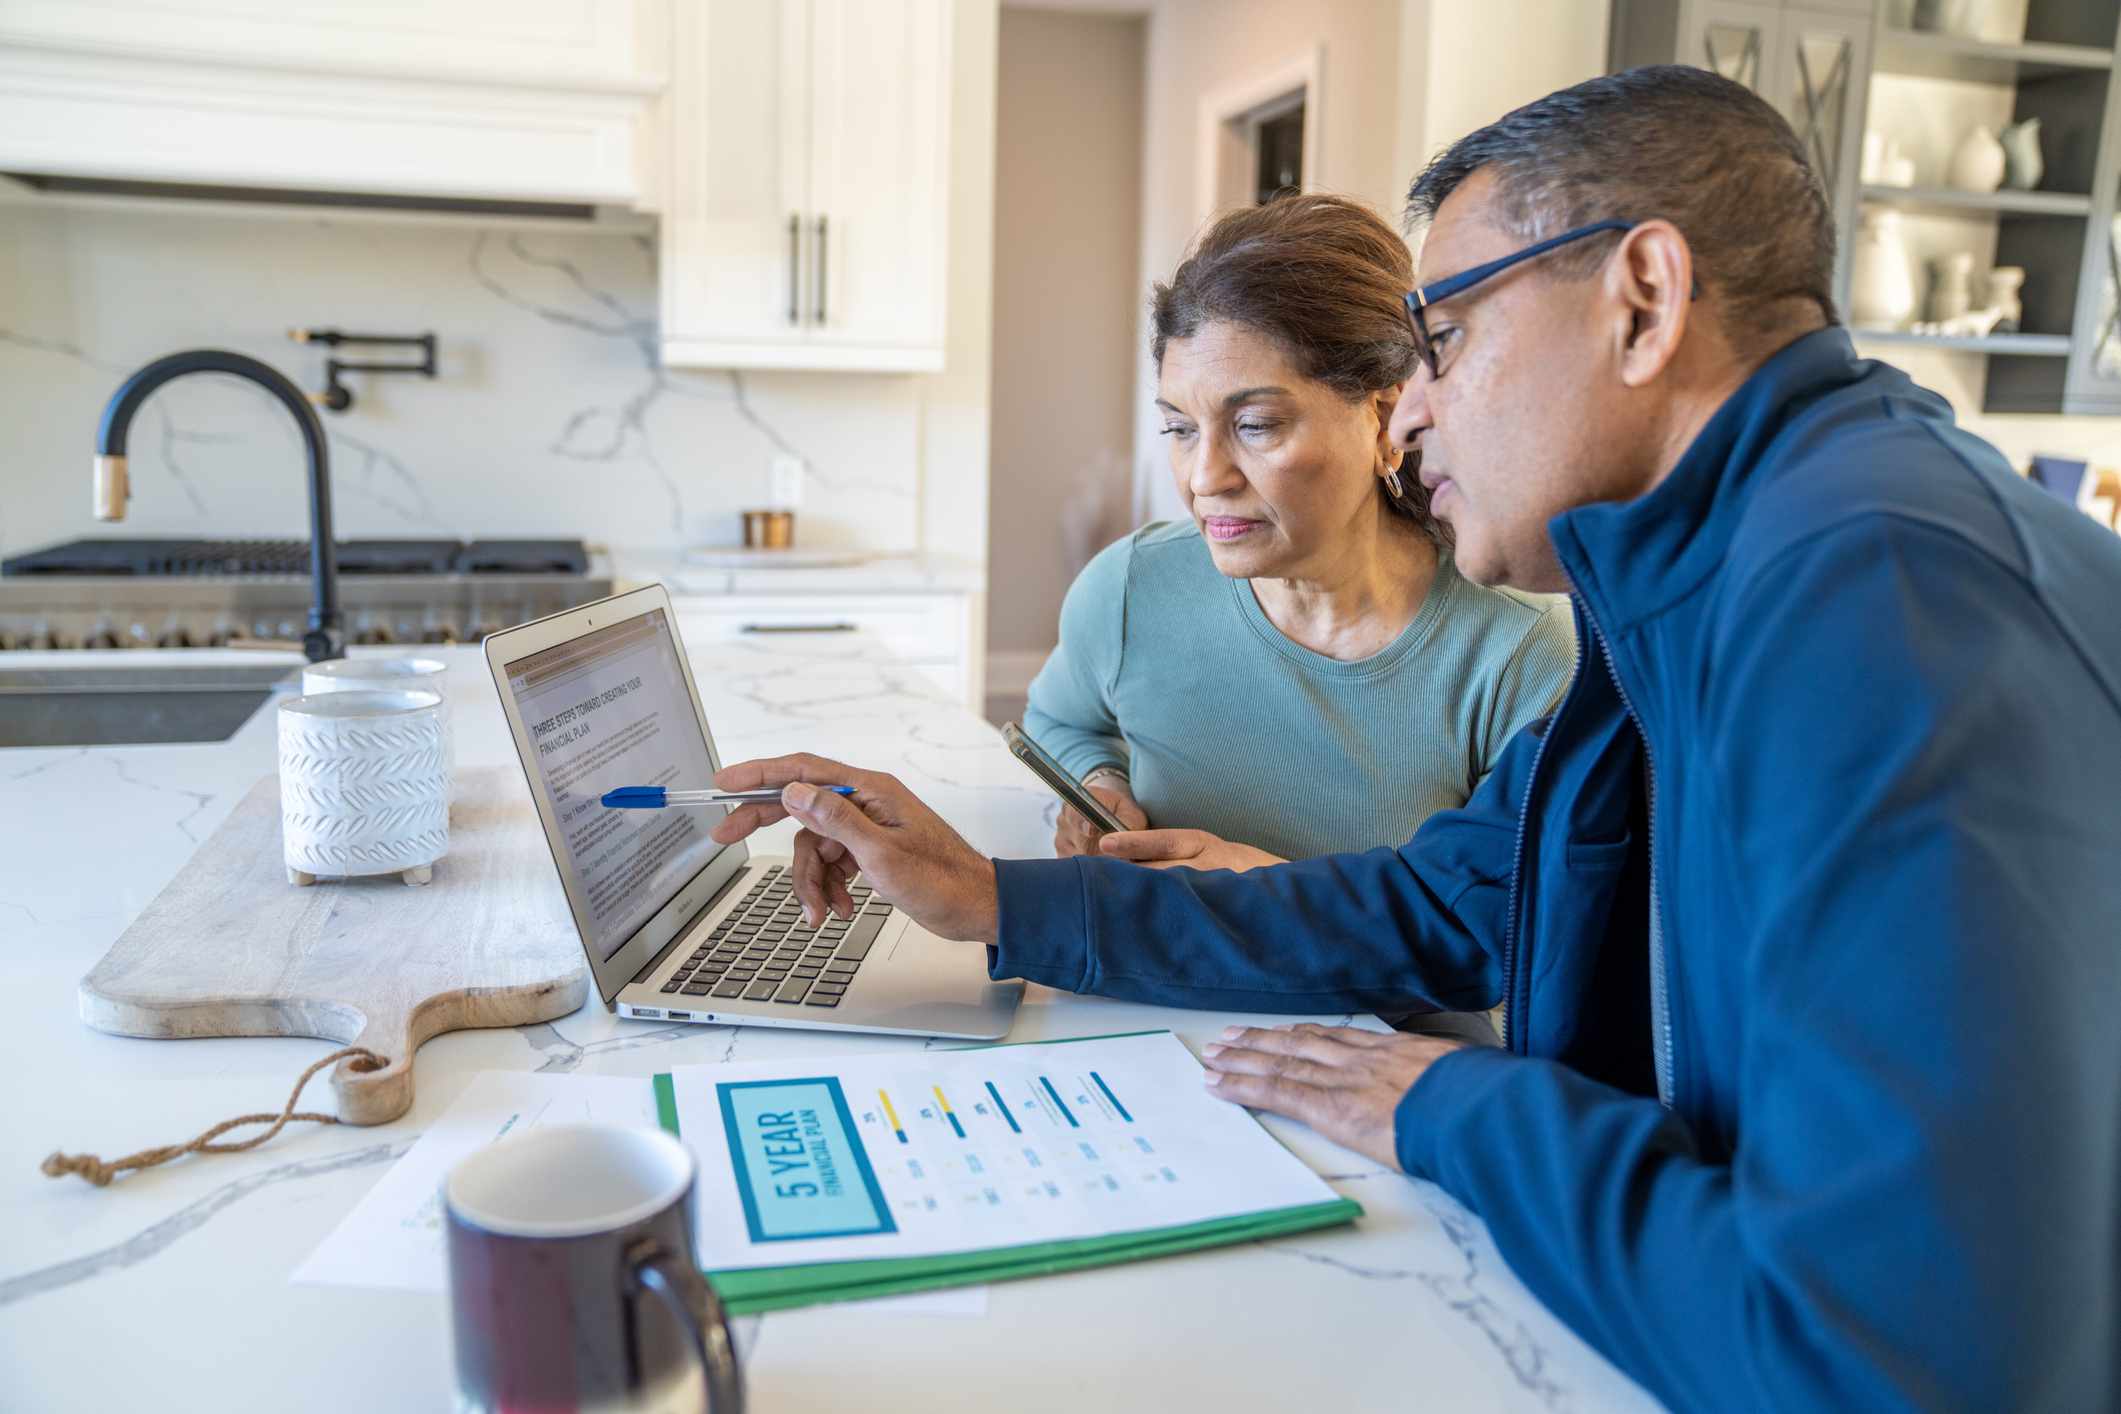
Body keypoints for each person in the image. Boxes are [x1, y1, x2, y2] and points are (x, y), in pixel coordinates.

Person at [709, 66, 2121, 1410]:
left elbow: (1886, 1359)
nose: (1417, 405)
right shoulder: (1711, 573)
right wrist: (997, 899)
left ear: (1642, 298)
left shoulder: (1882, 605)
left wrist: (1458, 1106)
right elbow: (1443, 902)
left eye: (1444, 335)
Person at [1027, 194, 1572, 870]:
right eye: (1179, 428)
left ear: (1382, 418)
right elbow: (1059, 722)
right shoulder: (1129, 587)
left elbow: (1505, 928)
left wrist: (1255, 890)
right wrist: (1096, 784)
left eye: (1254, 426)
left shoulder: (1519, 653)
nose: (1204, 478)